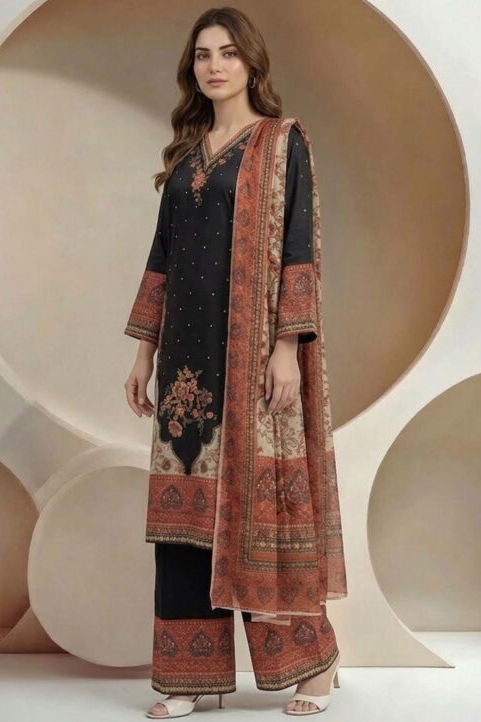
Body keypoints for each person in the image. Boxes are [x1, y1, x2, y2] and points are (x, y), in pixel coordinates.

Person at [124, 6, 347, 718]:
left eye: (227, 53)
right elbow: (162, 259)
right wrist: (143, 354)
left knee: (262, 517)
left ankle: (313, 667)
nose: (214, 65)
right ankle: (192, 679)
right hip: (185, 368)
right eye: (202, 55)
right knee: (183, 522)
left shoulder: (282, 143)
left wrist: (287, 347)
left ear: (251, 63)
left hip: (250, 359)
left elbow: (300, 250)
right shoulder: (187, 154)